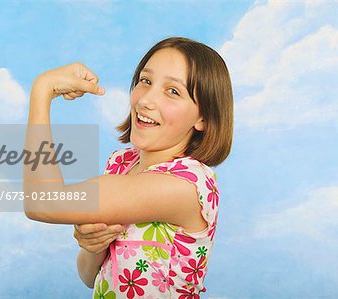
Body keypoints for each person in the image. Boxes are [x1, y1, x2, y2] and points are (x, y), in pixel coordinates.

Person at [24, 37, 233, 298]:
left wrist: (42, 89)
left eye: (173, 91)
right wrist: (94, 247)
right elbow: (90, 276)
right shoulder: (122, 164)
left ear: (203, 117)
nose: (146, 100)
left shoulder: (185, 185)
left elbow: (43, 202)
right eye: (146, 81)